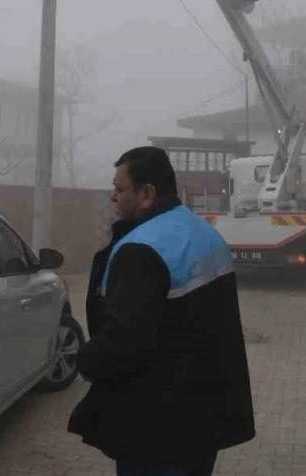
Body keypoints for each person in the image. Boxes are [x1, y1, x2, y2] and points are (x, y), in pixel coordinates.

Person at [68, 146, 255, 476]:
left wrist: (83, 359)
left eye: (120, 189)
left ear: (147, 195)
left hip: (156, 430)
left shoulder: (141, 250)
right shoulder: (204, 233)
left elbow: (124, 342)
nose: (114, 197)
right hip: (205, 419)